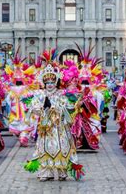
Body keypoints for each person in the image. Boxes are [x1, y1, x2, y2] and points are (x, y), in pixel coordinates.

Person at [24, 49, 84, 181]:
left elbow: (69, 107)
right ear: (44, 83)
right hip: (46, 127)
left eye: (52, 82)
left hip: (60, 127)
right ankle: (47, 172)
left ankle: (62, 171)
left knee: (61, 146)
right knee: (45, 147)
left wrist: (74, 106)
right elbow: (33, 106)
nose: (50, 85)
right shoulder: (40, 94)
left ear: (56, 82)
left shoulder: (61, 93)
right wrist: (42, 109)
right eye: (47, 83)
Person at [4, 51, 36, 147]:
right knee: (23, 125)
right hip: (21, 111)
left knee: (20, 125)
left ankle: (22, 137)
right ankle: (22, 136)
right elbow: (30, 100)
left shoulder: (13, 90)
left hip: (19, 111)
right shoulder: (26, 89)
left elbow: (8, 101)